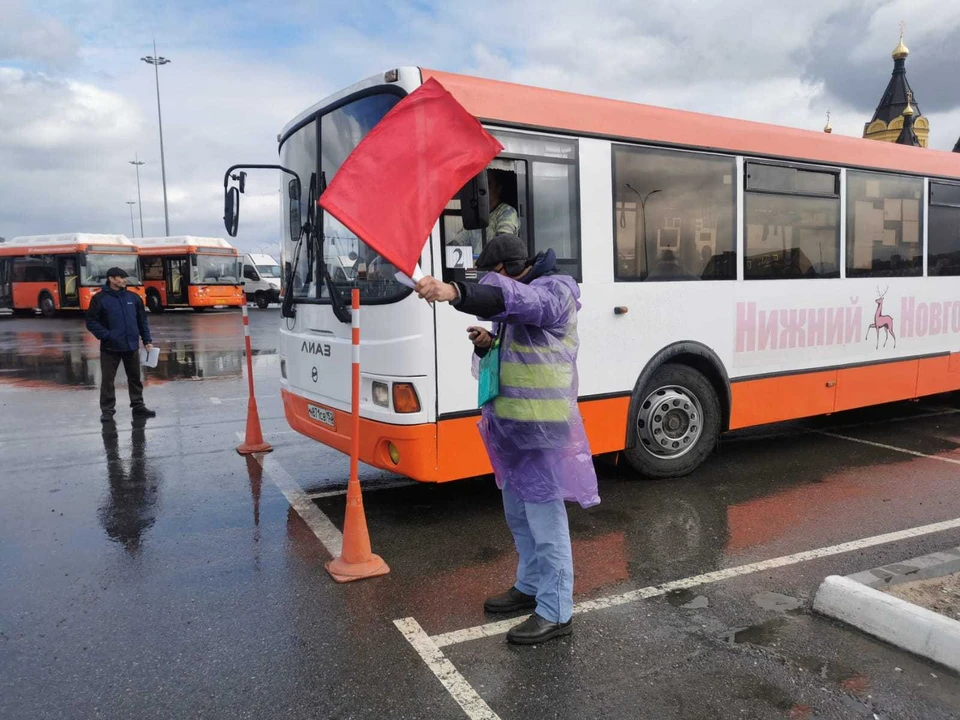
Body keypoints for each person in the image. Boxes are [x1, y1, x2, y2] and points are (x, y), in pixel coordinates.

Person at [415, 234, 599, 645]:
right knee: (519, 516)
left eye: (490, 276)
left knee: (545, 522)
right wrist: (488, 344)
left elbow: (528, 306)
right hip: (512, 428)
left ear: (504, 270)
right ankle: (529, 585)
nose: (489, 284)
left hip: (542, 429)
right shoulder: (521, 295)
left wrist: (455, 291)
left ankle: (555, 610)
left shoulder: (555, 290)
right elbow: (516, 341)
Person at [85, 267, 156, 423]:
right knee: (108, 381)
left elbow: (142, 321)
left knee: (135, 378)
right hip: (110, 348)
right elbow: (91, 321)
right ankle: (107, 411)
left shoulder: (134, 298)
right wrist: (107, 336)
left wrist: (147, 340)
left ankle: (138, 406)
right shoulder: (100, 299)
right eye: (121, 278)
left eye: (125, 278)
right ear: (111, 279)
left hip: (131, 345)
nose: (124, 280)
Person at [449, 170, 520, 256]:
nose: (484, 190)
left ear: (499, 188)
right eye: (482, 187)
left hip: (496, 267)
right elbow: (460, 240)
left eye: (488, 185)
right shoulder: (476, 215)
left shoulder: (507, 212)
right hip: (478, 267)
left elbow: (503, 244)